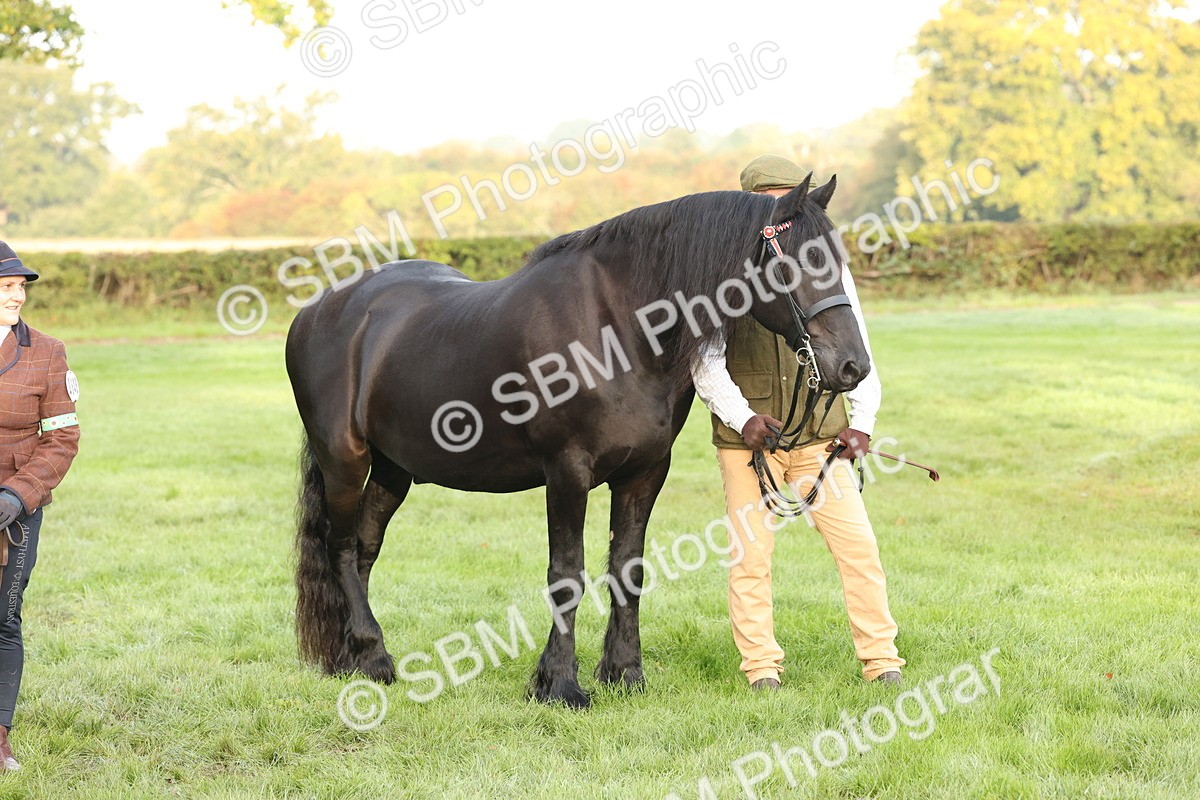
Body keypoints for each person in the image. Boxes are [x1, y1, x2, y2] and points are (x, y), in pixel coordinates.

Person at [690, 156, 904, 691]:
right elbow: (705, 363)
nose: (786, 213)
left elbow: (860, 347)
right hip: (749, 445)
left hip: (821, 438)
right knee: (750, 560)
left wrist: (864, 422)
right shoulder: (719, 276)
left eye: (792, 201)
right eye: (775, 202)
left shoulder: (826, 264)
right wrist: (742, 420)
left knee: (859, 551)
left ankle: (882, 662)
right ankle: (761, 669)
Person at [0, 242, 80, 770]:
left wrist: (17, 495)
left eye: (21, 287)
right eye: (7, 287)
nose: (18, 296)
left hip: (15, 511)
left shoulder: (47, 352)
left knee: (3, 619)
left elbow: (62, 437)